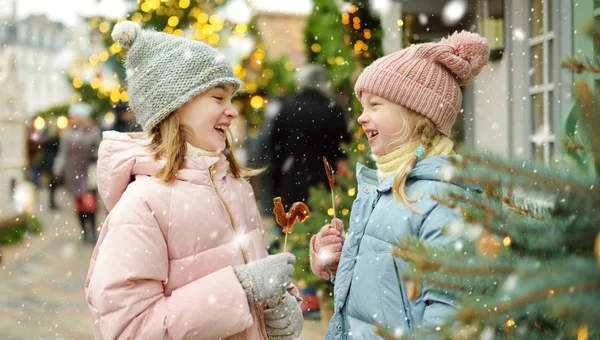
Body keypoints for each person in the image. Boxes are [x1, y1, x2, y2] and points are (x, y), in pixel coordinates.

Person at [84, 21, 303, 340]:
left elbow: (253, 270)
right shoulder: (142, 205)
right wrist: (241, 288)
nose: (233, 113)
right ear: (175, 105)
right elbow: (129, 329)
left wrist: (279, 308)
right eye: (218, 98)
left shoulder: (236, 187)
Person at [309, 31, 490, 338]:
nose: (361, 118)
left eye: (375, 105)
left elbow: (450, 318)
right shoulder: (383, 191)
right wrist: (339, 263)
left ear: (416, 113)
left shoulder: (443, 203)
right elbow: (386, 287)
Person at [268, 64, 350, 207]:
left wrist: (275, 186)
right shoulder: (333, 110)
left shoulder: (287, 110)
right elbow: (344, 149)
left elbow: (274, 151)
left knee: (294, 227)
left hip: (292, 184)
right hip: (326, 186)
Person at [53, 102, 102, 242]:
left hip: (87, 173)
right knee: (78, 204)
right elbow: (63, 153)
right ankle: (83, 231)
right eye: (71, 116)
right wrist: (58, 169)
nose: (72, 119)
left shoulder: (93, 131)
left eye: (75, 116)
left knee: (90, 204)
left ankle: (92, 230)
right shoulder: (67, 133)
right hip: (72, 173)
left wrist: (94, 155)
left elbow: (99, 149)